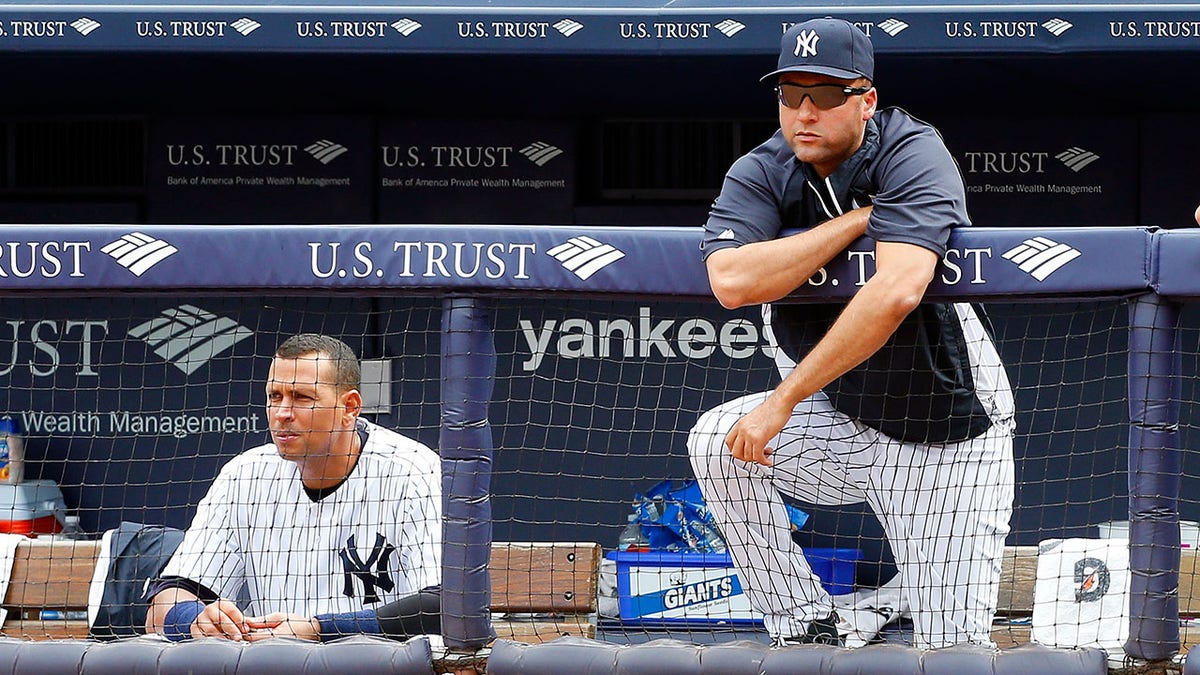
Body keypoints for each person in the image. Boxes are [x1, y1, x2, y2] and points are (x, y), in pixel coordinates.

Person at [687, 17, 1015, 650]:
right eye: (791, 94)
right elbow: (730, 281)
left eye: (827, 95)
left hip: (947, 435)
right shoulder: (762, 170)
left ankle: (910, 609)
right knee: (716, 442)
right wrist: (861, 219)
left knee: (951, 653)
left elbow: (896, 291)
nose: (805, 111)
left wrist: (782, 400)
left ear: (865, 100)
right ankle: (804, 620)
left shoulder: (911, 150)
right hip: (841, 423)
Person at [145, 333, 442, 642]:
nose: (283, 413)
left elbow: (445, 605)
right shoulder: (244, 476)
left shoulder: (415, 471)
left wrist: (319, 629)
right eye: (275, 396)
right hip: (272, 663)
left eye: (302, 398)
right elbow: (162, 606)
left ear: (350, 407)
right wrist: (197, 619)